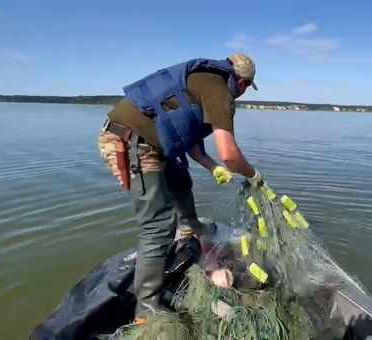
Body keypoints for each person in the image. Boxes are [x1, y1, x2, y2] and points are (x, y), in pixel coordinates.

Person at [97, 53, 264, 322]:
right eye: (245, 88)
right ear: (243, 84)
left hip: (153, 141)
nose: (243, 92)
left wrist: (211, 166)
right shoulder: (221, 93)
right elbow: (231, 155)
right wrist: (254, 176)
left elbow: (186, 134)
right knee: (158, 226)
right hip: (130, 142)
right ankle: (147, 309)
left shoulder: (204, 79)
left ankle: (191, 229)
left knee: (181, 182)